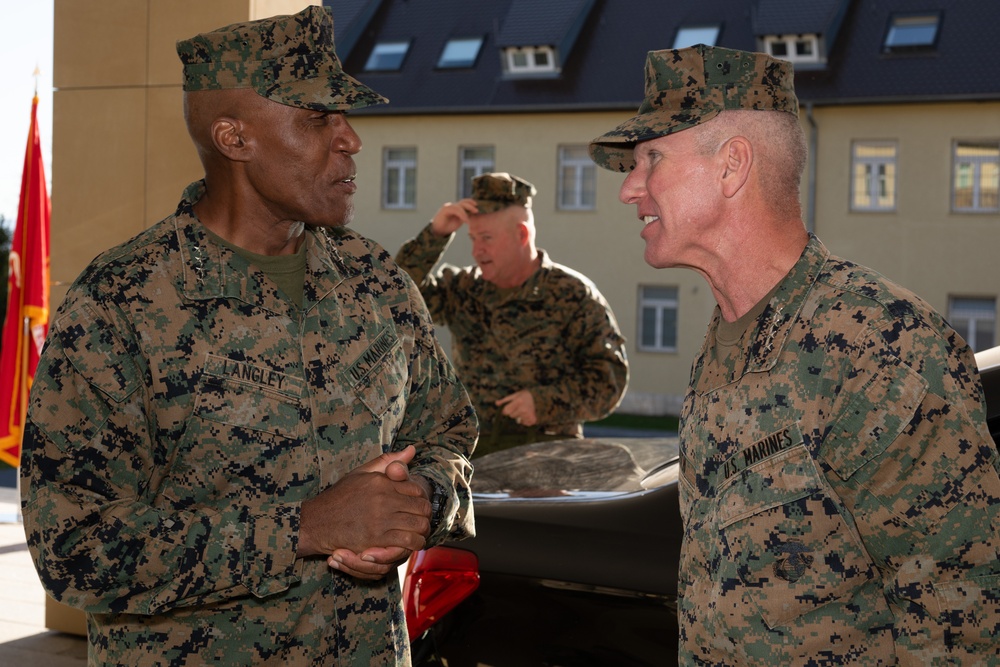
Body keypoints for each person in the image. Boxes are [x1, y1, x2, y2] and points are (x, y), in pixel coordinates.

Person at [19, 7, 476, 666]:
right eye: (320, 118)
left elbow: (450, 428)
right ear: (234, 138)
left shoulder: (373, 279)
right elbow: (77, 552)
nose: (350, 140)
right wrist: (303, 530)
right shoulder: (120, 303)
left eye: (345, 118)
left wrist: (419, 503)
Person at [590, 44, 1000, 664]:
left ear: (732, 167)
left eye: (651, 158)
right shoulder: (727, 340)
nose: (629, 189)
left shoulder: (879, 344)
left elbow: (958, 624)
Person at [395, 172, 628, 457]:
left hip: (549, 462)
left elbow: (609, 380)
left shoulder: (573, 294)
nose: (477, 250)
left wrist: (544, 403)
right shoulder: (464, 289)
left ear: (522, 234)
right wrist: (435, 235)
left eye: (487, 238)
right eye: (472, 238)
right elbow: (399, 295)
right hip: (475, 460)